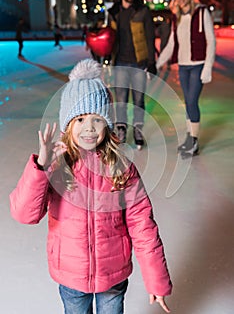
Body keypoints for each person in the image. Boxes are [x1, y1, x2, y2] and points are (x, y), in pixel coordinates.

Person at [9, 59, 172, 314]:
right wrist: (40, 166)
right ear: (68, 124)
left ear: (107, 124)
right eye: (80, 118)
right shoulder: (56, 166)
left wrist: (156, 279)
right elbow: (24, 214)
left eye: (97, 119)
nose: (89, 128)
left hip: (113, 276)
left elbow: (143, 226)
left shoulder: (121, 167)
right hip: (72, 277)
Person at [156, 0, 216, 158]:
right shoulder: (177, 18)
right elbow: (172, 44)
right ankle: (190, 138)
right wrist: (158, 62)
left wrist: (208, 67)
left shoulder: (202, 13)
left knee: (191, 101)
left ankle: (194, 142)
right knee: (188, 103)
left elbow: (211, 40)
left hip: (198, 65)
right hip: (183, 67)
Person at [108, 0, 157, 149]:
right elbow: (109, 38)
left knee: (139, 100)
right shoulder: (114, 12)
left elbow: (150, 37)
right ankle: (121, 129)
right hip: (120, 63)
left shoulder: (142, 10)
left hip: (139, 63)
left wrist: (151, 63)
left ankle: (137, 129)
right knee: (120, 100)